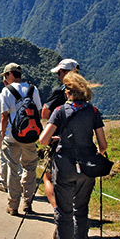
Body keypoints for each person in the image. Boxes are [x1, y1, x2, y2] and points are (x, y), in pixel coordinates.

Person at [39, 73, 107, 239]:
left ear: (68, 93)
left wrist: (58, 138)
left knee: (64, 214)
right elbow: (103, 146)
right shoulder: (93, 111)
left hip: (64, 167)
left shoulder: (59, 111)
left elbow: (43, 140)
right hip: (86, 168)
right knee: (81, 211)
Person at [0, 63, 43, 216]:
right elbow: (38, 112)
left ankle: (13, 205)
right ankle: (28, 203)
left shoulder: (6, 91)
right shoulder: (33, 89)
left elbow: (3, 116)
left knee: (13, 168)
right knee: (30, 168)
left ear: (9, 75)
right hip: (30, 135)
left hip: (12, 136)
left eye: (5, 76)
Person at [41, 58, 80, 207]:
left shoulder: (60, 92)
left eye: (60, 73)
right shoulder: (84, 92)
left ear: (66, 73)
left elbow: (45, 113)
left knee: (49, 178)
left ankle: (59, 211)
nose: (58, 76)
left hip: (58, 141)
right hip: (79, 142)